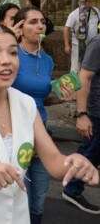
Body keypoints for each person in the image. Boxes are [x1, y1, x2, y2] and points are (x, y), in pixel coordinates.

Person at [0, 25, 99, 224]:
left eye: (13, 53)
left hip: (16, 215)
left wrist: (74, 163)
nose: (6, 60)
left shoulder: (26, 104)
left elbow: (54, 161)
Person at [11, 7, 74, 223]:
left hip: (41, 132)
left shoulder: (47, 60)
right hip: (13, 132)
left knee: (39, 195)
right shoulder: (11, 56)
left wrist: (61, 96)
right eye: (33, 22)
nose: (40, 26)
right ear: (20, 27)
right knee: (19, 194)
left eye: (42, 22)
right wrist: (9, 40)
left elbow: (43, 97)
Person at [62, 32, 100, 214]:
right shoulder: (98, 43)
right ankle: (71, 189)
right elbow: (83, 77)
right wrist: (82, 114)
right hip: (96, 112)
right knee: (90, 152)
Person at [64, 1, 100, 73]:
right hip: (77, 45)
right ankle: (75, 81)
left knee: (90, 66)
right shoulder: (74, 14)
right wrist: (66, 45)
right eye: (85, 2)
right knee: (76, 65)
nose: (88, 3)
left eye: (89, 1)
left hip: (92, 45)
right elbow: (66, 28)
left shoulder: (96, 11)